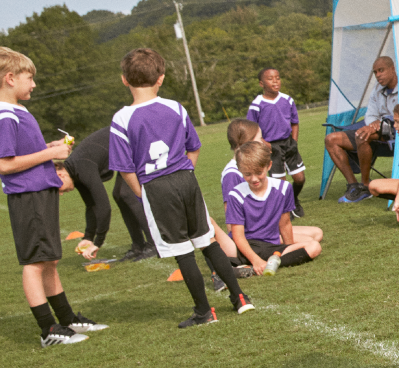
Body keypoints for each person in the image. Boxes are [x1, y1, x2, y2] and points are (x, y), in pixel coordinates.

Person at [109, 47, 253, 328]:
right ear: (160, 78)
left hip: (156, 186)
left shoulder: (122, 119)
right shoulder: (175, 107)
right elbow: (194, 147)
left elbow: (124, 167)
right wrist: (184, 173)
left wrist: (143, 193)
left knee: (182, 249)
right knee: (207, 241)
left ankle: (204, 311)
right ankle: (240, 298)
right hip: (186, 180)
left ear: (124, 79)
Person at [0, 47, 108, 347]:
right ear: (10, 78)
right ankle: (48, 329)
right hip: (28, 196)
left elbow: (21, 154)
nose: (33, 84)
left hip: (40, 193)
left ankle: (67, 319)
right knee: (36, 263)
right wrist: (51, 153)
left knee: (49, 260)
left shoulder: (16, 110)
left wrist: (47, 148)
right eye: (29, 77)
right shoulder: (5, 114)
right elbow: (4, 164)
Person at [58, 128, 156, 262]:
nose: (61, 193)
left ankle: (154, 244)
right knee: (119, 194)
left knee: (125, 193)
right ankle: (138, 245)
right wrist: (88, 237)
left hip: (136, 142)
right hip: (126, 147)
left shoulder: (82, 167)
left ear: (60, 175)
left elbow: (104, 207)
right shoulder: (75, 172)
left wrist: (98, 242)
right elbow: (91, 205)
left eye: (58, 189)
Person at [225, 141, 322, 276]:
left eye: (259, 172)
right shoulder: (236, 195)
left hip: (271, 245)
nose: (253, 179)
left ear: (269, 165)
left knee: (314, 245)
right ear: (240, 171)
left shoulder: (284, 188)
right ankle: (256, 264)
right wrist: (256, 260)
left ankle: (254, 266)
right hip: (247, 246)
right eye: (247, 174)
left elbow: (285, 223)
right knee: (312, 245)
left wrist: (288, 247)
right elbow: (238, 236)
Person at [326, 56, 398, 204]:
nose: (378, 75)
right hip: (377, 131)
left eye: (381, 70)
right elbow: (370, 115)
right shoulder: (377, 90)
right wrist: (373, 125)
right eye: (375, 72)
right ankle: (354, 186)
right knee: (331, 139)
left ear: (392, 69)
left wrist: (381, 123)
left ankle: (366, 186)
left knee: (362, 135)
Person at [246, 67, 306, 218]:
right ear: (261, 83)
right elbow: (251, 130)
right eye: (270, 78)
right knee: (281, 183)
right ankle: (285, 209)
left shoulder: (287, 100)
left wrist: (294, 141)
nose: (275, 81)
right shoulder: (257, 104)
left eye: (277, 78)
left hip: (288, 143)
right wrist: (266, 145)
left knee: (300, 178)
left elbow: (295, 122)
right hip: (270, 147)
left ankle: (294, 200)